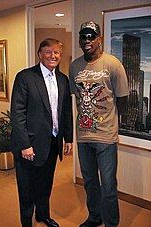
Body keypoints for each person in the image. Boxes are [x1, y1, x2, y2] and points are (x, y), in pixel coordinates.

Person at [69, 21, 129, 227]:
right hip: (83, 135)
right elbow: (76, 97)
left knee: (109, 186)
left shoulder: (113, 64)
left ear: (99, 39)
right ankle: (95, 217)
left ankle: (111, 223)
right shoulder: (75, 66)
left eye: (91, 36)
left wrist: (109, 121)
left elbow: (122, 100)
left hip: (105, 137)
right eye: (83, 36)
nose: (87, 40)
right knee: (89, 182)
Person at [10, 38, 73, 227]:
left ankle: (42, 215)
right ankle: (27, 221)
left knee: (45, 184)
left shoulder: (63, 79)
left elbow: (66, 112)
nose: (53, 56)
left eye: (57, 53)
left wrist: (68, 138)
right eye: (48, 52)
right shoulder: (25, 77)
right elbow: (17, 113)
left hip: (52, 143)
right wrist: (25, 145)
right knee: (27, 188)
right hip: (29, 146)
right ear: (40, 54)